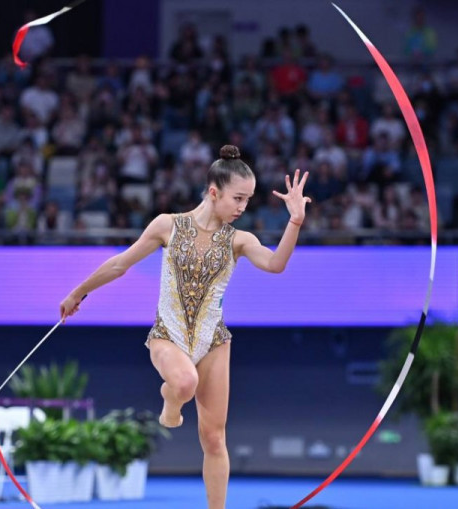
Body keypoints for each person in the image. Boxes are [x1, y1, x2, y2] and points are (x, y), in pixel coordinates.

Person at [59, 145, 311, 509]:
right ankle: (170, 400)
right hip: (168, 335)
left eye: (248, 199)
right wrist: (79, 292)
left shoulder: (239, 240)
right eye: (238, 198)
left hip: (213, 342)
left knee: (214, 439)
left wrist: (295, 221)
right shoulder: (168, 225)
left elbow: (275, 265)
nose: (243, 207)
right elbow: (120, 264)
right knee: (183, 383)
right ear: (213, 192)